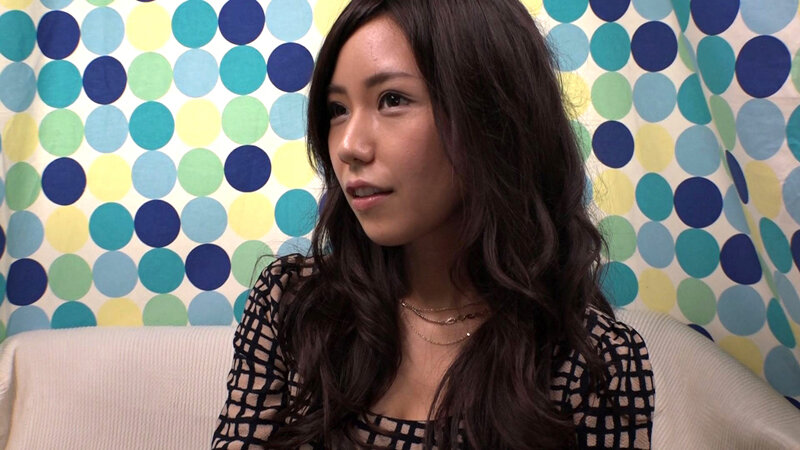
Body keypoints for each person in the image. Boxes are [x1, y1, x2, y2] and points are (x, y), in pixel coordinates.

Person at [212, 0, 655, 448]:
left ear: (493, 116)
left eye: (392, 100)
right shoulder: (292, 306)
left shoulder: (593, 364)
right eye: (337, 109)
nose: (348, 146)